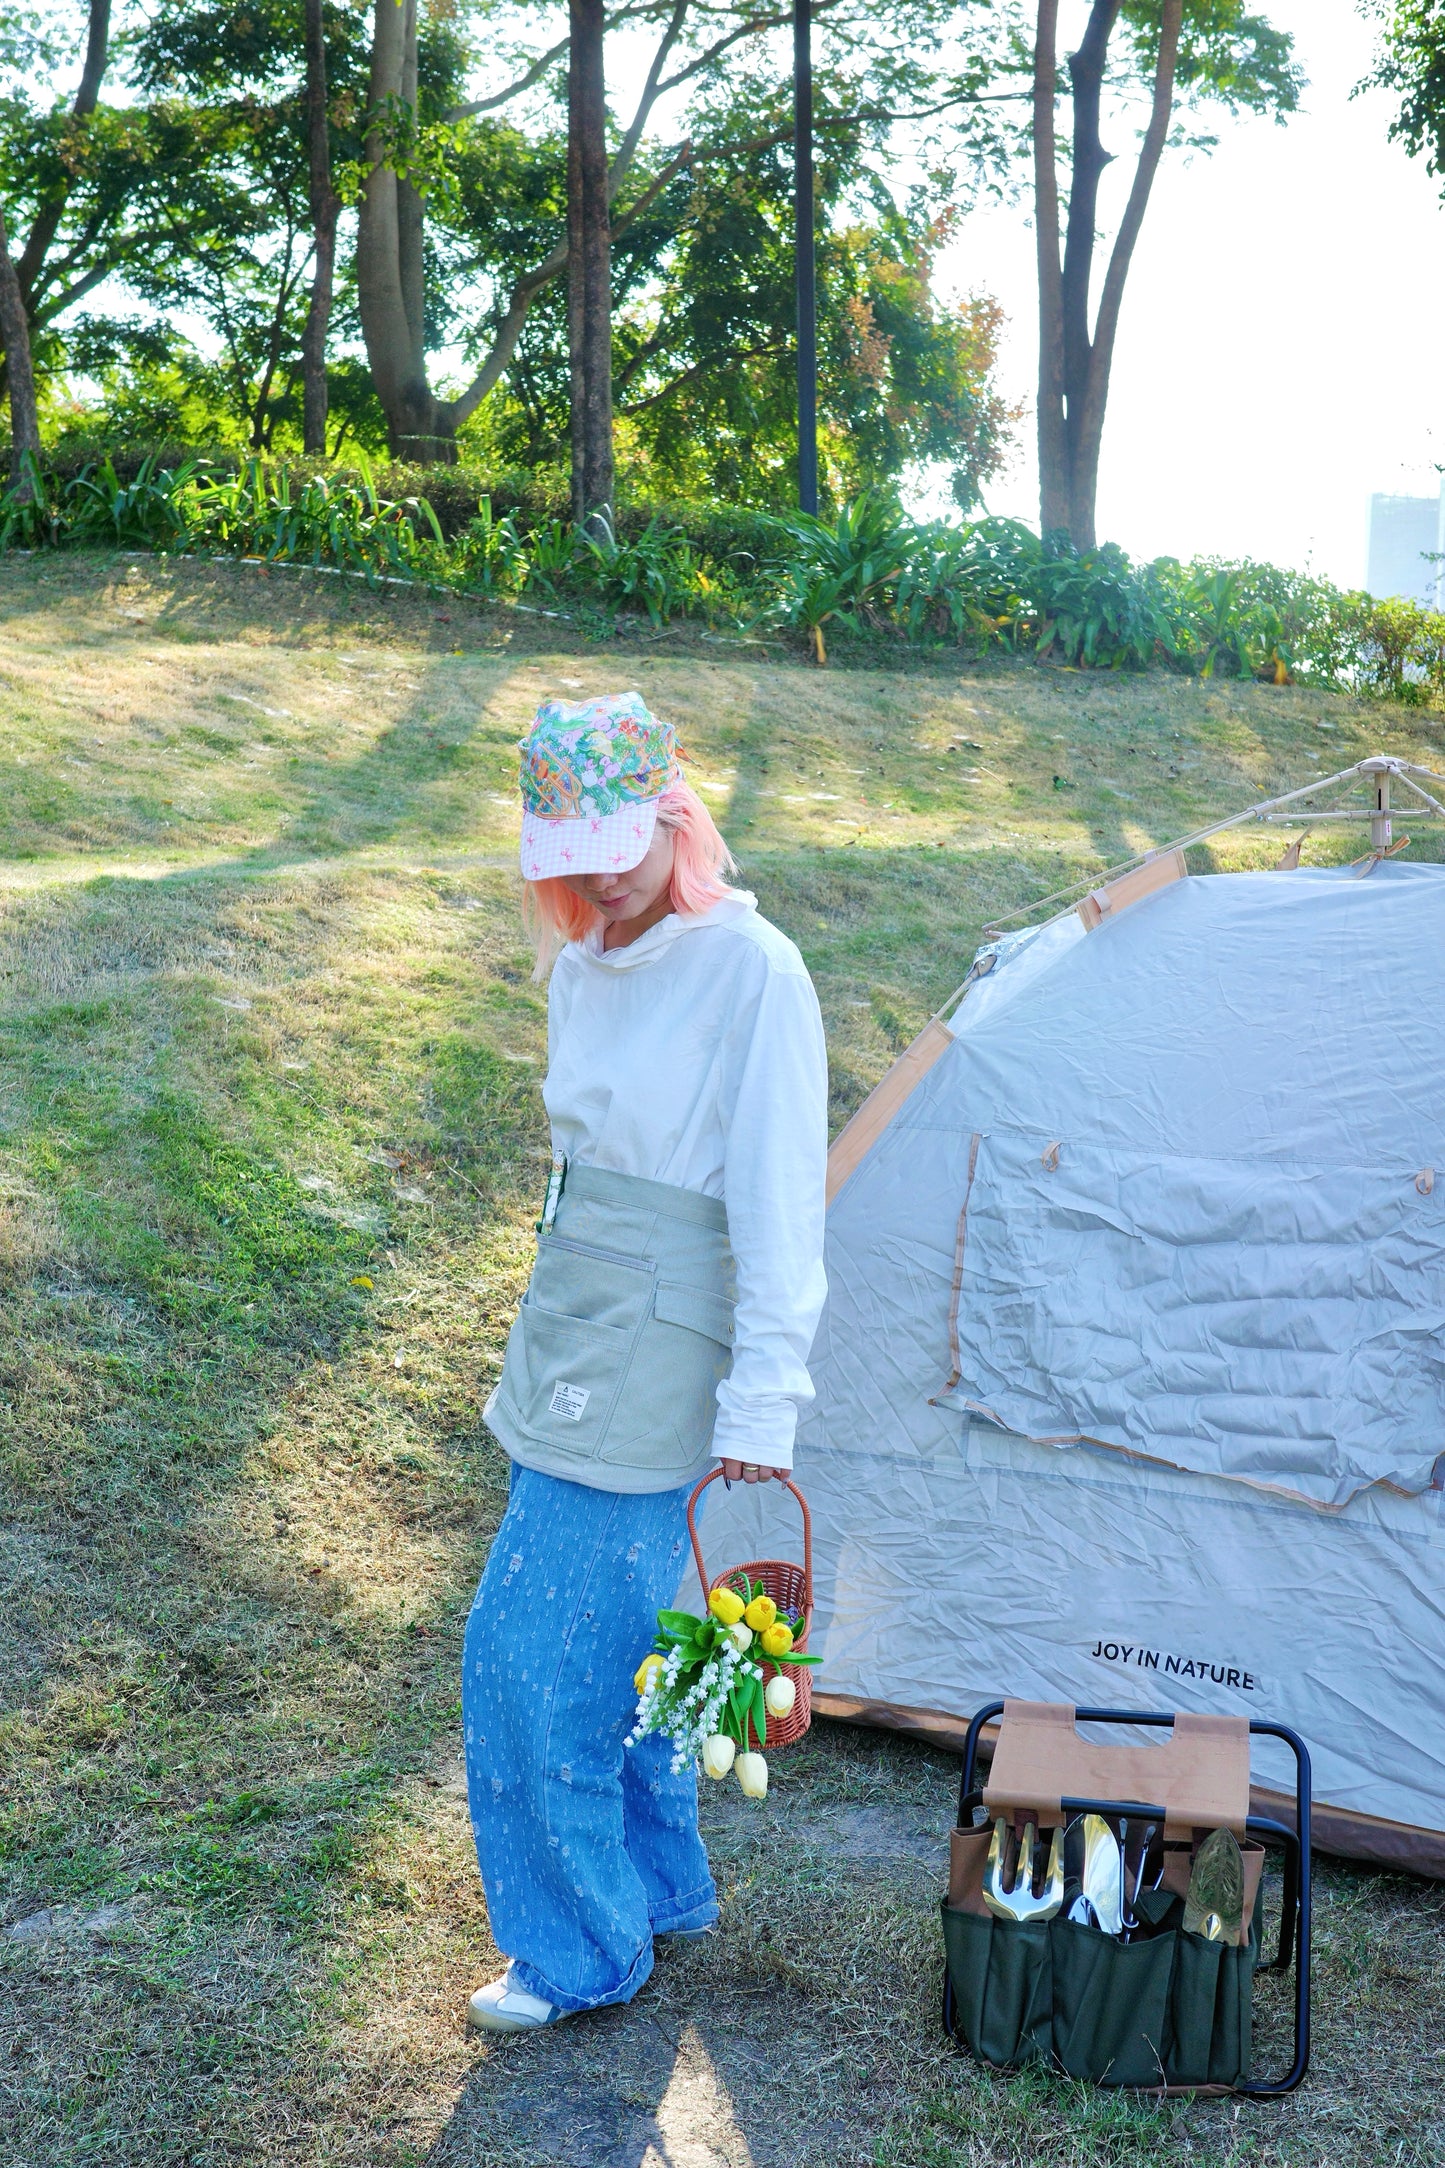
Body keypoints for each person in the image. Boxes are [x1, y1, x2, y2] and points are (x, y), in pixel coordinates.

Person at [461, 689, 828, 2032]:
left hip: (660, 1334)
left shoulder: (753, 971)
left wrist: (763, 1408)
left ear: (675, 811)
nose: (599, 882)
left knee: (524, 1659)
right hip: (571, 1310)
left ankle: (576, 1949)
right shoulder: (586, 959)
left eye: (616, 846)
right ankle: (654, 1892)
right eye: (568, 863)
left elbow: (781, 1208)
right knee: (613, 1643)